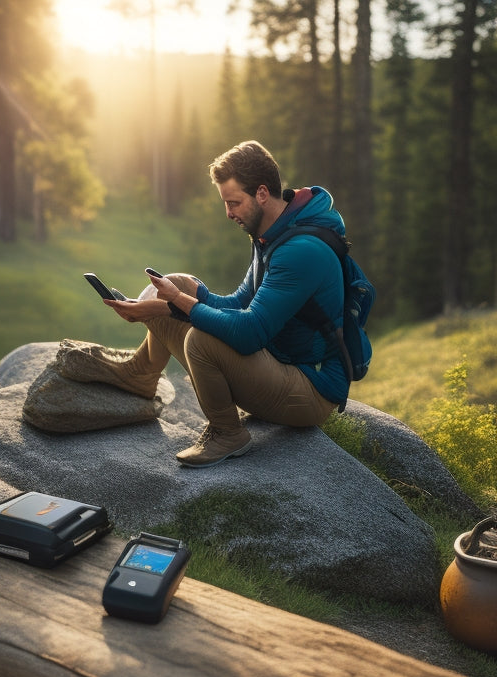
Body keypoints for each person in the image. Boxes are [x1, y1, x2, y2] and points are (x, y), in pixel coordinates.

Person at [57, 140, 350, 468]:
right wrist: (185, 294)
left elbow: (249, 332)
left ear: (263, 193)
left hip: (310, 388)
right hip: (277, 361)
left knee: (201, 340)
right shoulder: (274, 233)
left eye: (234, 203)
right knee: (179, 282)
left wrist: (175, 304)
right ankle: (142, 374)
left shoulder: (300, 251)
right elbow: (240, 302)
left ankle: (227, 433)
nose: (229, 213)